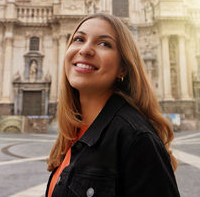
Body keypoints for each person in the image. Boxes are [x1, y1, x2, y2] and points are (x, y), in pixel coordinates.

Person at [46, 13, 180, 197]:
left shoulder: (137, 139)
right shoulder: (72, 134)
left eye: (104, 44)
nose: (85, 50)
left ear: (123, 68)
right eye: (78, 39)